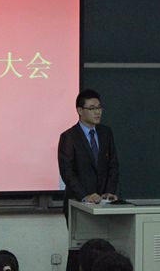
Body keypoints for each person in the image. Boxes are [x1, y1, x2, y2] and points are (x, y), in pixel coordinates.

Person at [58, 89, 119, 222]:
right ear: (80, 111)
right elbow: (67, 172)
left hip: (104, 203)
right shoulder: (69, 137)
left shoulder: (106, 133)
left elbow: (113, 165)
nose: (97, 112)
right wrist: (85, 196)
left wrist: (109, 192)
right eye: (92, 108)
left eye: (99, 107)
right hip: (78, 203)